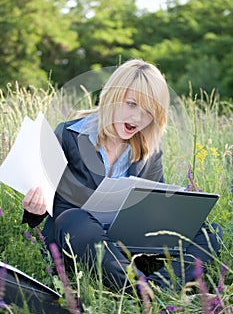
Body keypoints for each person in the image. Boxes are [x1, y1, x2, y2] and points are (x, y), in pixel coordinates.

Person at [22, 59, 222, 294]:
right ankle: (142, 291)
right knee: (75, 219)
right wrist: (34, 208)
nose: (137, 118)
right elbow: (43, 204)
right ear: (113, 97)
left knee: (209, 232)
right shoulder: (67, 134)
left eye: (148, 111)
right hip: (77, 240)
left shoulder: (150, 150)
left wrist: (174, 211)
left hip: (127, 244)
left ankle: (157, 290)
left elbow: (156, 203)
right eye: (131, 104)